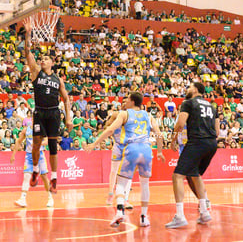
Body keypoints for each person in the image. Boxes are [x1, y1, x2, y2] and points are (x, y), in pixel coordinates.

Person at [85, 92, 165, 227]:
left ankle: (120, 211)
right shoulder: (149, 115)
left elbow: (110, 130)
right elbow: (159, 134)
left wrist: (95, 143)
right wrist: (160, 151)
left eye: (127, 99)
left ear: (133, 101)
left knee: (121, 182)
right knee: (144, 184)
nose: (125, 102)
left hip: (131, 148)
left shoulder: (124, 114)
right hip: (146, 149)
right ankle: (144, 217)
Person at [24, 20, 73, 194]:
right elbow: (27, 52)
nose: (42, 60)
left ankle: (54, 178)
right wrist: (28, 34)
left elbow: (66, 99)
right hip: (39, 112)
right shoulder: (36, 72)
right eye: (41, 59)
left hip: (53, 113)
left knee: (53, 147)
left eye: (45, 59)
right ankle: (36, 171)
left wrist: (68, 117)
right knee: (36, 145)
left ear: (51, 63)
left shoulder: (58, 80)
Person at [166, 82, 219, 229]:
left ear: (195, 89)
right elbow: (218, 131)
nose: (187, 89)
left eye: (189, 87)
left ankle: (180, 216)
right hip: (212, 144)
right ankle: (204, 212)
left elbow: (180, 124)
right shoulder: (212, 106)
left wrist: (173, 140)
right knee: (195, 175)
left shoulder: (188, 103)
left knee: (177, 176)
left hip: (197, 142)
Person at [11, 122, 53, 208]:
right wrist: (13, 154)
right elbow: (18, 141)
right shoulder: (26, 130)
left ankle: (50, 197)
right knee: (26, 176)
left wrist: (39, 144)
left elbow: (46, 141)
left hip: (39, 154)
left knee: (44, 177)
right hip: (29, 156)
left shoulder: (42, 129)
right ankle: (22, 199)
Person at [105, 97, 133, 209]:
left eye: (127, 102)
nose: (125, 104)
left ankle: (125, 199)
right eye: (123, 102)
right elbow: (107, 126)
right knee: (114, 171)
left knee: (128, 174)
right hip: (117, 145)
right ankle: (111, 193)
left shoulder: (133, 115)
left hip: (129, 146)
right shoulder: (116, 114)